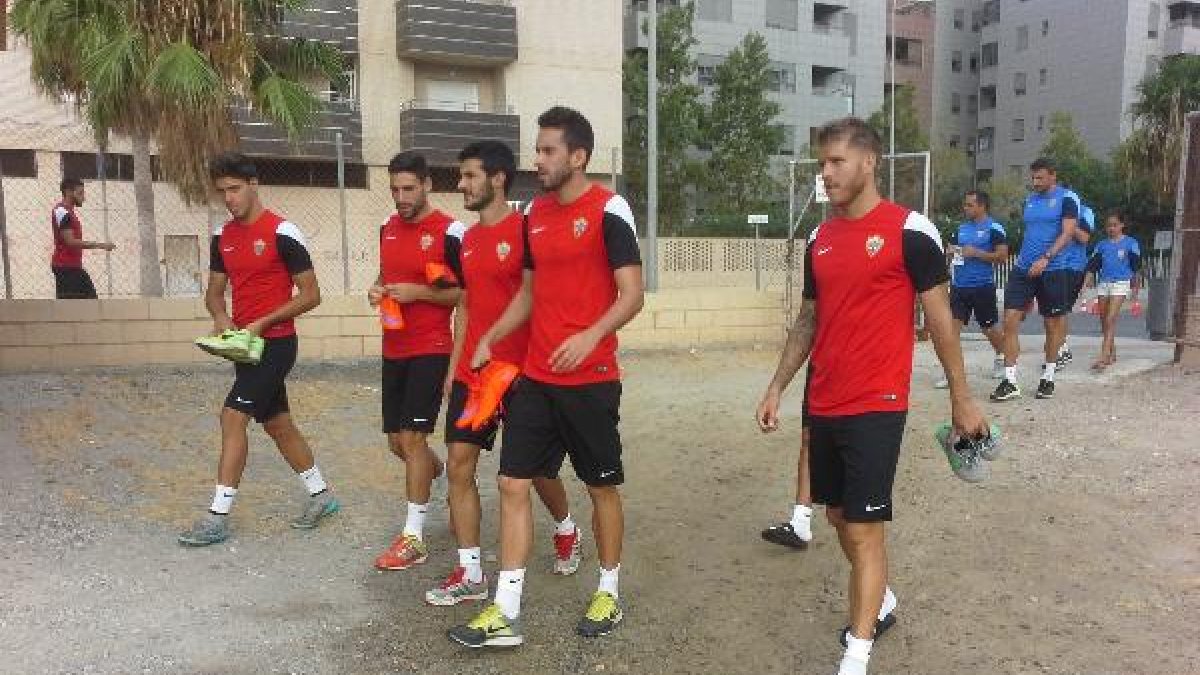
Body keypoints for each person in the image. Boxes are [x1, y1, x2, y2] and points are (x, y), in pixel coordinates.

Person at [756, 117, 988, 675]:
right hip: (826, 400)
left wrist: (962, 398)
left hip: (878, 402)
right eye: (822, 163)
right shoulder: (820, 238)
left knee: (863, 527)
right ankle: (879, 600)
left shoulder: (912, 231)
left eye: (836, 162)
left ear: (869, 163)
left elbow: (940, 320)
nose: (826, 173)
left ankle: (854, 658)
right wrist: (777, 387)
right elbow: (809, 319)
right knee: (837, 515)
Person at [447, 106, 644, 648]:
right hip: (536, 377)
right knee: (513, 481)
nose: (538, 160)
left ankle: (608, 589)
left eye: (548, 151)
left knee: (601, 485)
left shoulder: (610, 209)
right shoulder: (533, 214)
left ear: (578, 156)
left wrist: (589, 336)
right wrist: (489, 336)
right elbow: (528, 295)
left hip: (593, 378)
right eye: (537, 150)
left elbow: (632, 295)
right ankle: (504, 610)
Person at [425, 140, 582, 607]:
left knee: (532, 473)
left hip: (520, 373)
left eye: (470, 176)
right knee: (458, 464)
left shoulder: (527, 230)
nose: (462, 184)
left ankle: (566, 526)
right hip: (474, 373)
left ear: (496, 178)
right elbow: (468, 306)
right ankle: (471, 572)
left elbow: (542, 298)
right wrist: (454, 366)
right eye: (461, 176)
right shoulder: (467, 240)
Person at [178, 152, 337, 546]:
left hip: (277, 344)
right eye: (222, 192)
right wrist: (222, 320)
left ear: (253, 184)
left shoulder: (284, 232)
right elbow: (214, 294)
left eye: (234, 189)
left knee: (232, 417)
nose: (228, 198)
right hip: (244, 347)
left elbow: (312, 294)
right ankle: (322, 496)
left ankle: (217, 517)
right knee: (277, 423)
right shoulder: (223, 236)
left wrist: (264, 322)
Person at [368, 152, 464, 571]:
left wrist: (418, 293)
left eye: (408, 188)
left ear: (427, 185)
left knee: (411, 440)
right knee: (399, 445)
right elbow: (384, 276)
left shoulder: (450, 231)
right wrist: (377, 290)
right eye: (394, 189)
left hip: (432, 347)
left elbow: (463, 294)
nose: (400, 197)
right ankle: (440, 476)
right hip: (394, 347)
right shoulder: (388, 229)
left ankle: (413, 538)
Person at [991, 158, 1080, 402]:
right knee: (1009, 320)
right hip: (1023, 268)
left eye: (1040, 178)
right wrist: (1028, 259)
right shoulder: (1030, 201)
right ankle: (1010, 381)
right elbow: (1032, 232)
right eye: (1033, 178)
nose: (1035, 182)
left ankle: (1048, 377)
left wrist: (1046, 258)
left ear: (1053, 175)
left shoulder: (1067, 198)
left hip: (1053, 268)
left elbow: (1069, 232)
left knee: (1052, 325)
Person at [935, 190, 1009, 388]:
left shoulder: (994, 228)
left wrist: (976, 253)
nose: (965, 208)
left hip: (982, 286)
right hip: (960, 287)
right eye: (965, 204)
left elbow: (1002, 256)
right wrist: (951, 253)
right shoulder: (961, 229)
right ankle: (951, 373)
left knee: (989, 328)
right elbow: (954, 252)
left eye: (970, 205)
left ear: (982, 206)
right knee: (951, 331)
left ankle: (1002, 357)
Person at [760, 372, 814, 549]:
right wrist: (775, 390)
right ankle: (800, 523)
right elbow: (801, 343)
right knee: (810, 437)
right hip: (824, 371)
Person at [1086, 211, 1141, 370]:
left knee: (1110, 319)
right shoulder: (1101, 245)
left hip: (1121, 283)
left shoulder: (1131, 243)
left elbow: (1136, 268)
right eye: (1108, 225)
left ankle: (1104, 356)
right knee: (1104, 320)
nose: (1111, 228)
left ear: (1122, 225)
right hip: (1104, 283)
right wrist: (1088, 279)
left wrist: (1135, 288)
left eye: (1114, 225)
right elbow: (1093, 265)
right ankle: (1112, 351)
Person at [51, 178, 115, 299]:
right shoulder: (62, 211)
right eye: (80, 193)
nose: (84, 198)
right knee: (79, 307)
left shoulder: (68, 212)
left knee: (84, 305)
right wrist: (101, 245)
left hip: (71, 266)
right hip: (65, 267)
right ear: (69, 192)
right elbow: (70, 241)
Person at [1055, 192, 1096, 369]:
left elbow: (1085, 237)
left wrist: (1069, 226)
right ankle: (1062, 348)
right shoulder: (1051, 212)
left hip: (1073, 267)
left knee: (1060, 311)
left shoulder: (1085, 212)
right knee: (1053, 312)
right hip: (1053, 264)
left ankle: (1060, 350)